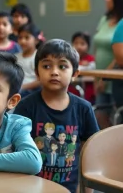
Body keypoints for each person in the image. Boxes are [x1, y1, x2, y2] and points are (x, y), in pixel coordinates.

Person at [14, 39, 99, 193]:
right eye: (46, 66)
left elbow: (90, 154)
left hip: (69, 188)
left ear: (75, 74)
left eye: (62, 66)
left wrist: (86, 190)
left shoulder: (83, 109)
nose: (54, 71)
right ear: (37, 73)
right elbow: (15, 150)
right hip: (31, 187)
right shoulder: (26, 107)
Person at [93, 0, 123, 128]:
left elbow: (118, 55)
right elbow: (97, 44)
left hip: (114, 77)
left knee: (116, 118)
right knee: (100, 115)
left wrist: (106, 75)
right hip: (101, 76)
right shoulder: (104, 19)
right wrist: (97, 75)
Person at [16, 23, 42, 98]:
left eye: (27, 38)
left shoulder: (39, 56)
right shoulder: (15, 57)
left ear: (36, 40)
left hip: (32, 91)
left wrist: (23, 87)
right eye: (20, 38)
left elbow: (40, 80)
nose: (23, 41)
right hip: (18, 89)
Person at [69, 31, 95, 104]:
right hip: (71, 93)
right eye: (76, 43)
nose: (78, 47)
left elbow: (92, 69)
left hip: (88, 94)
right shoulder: (69, 59)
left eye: (82, 44)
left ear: (88, 46)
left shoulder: (91, 59)